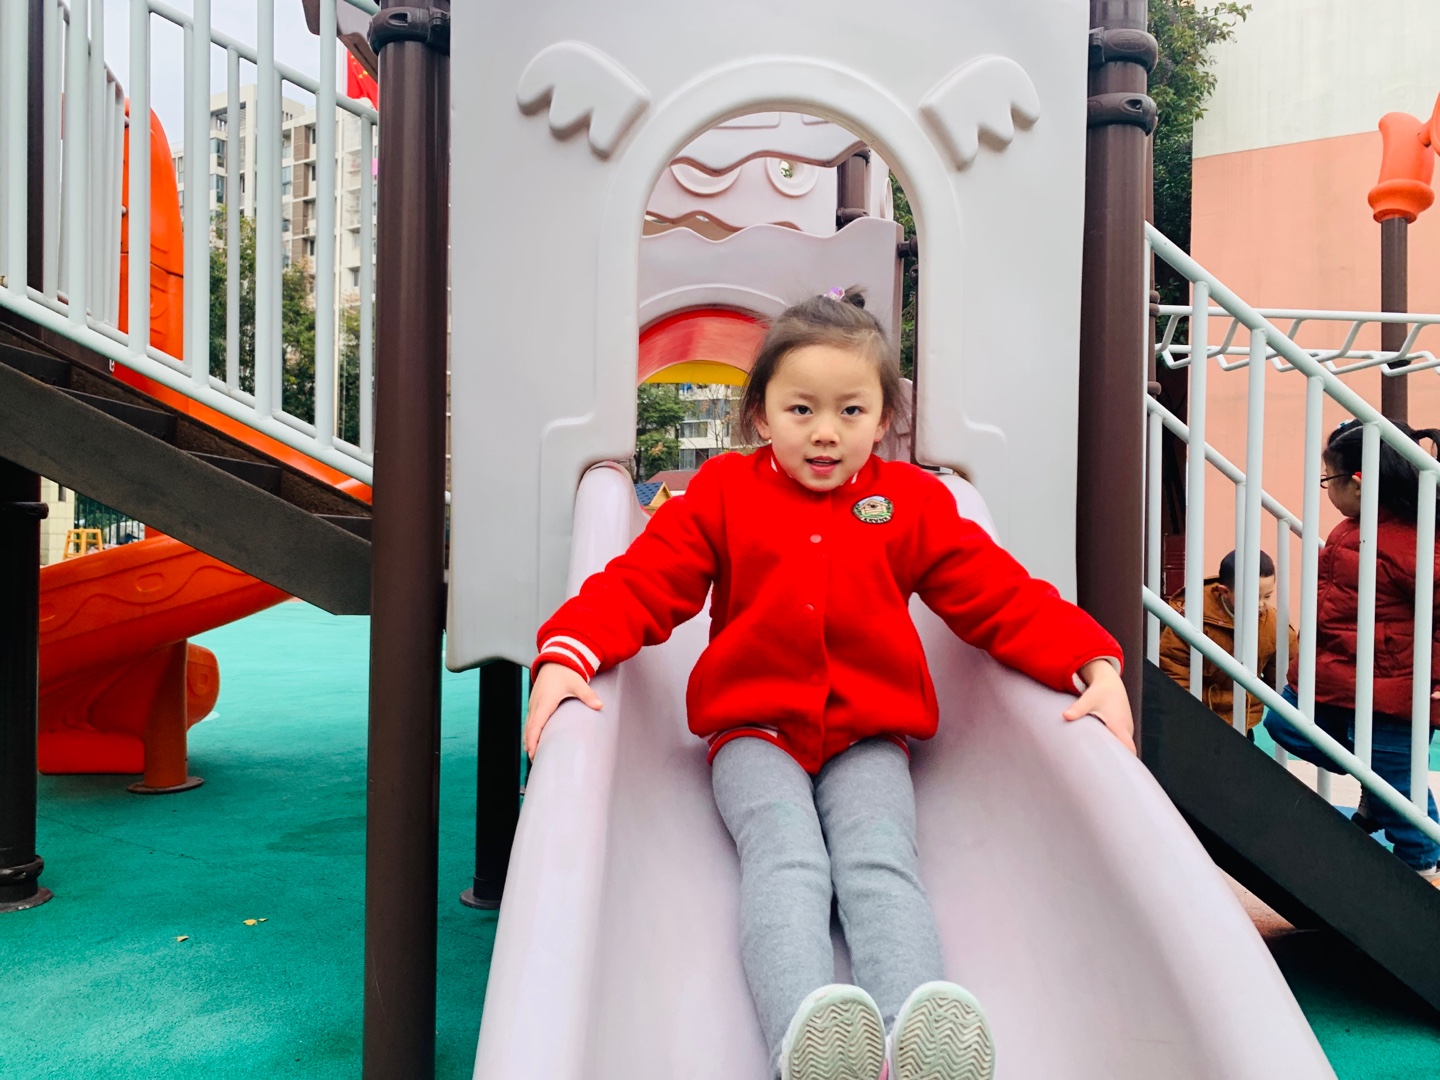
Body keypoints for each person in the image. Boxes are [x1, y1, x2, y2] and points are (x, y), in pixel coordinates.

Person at [522, 288, 1134, 1080]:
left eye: (851, 411)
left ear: (882, 421)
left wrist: (1090, 660)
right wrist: (568, 652)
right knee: (787, 860)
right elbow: (644, 583)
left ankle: (914, 1033)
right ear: (761, 416)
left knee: (880, 862)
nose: (825, 431)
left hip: (868, 736)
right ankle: (805, 1039)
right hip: (753, 731)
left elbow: (998, 595)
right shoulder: (722, 496)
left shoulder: (910, 504)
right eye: (801, 409)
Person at [1263, 419, 1440, 880]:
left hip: (1391, 691)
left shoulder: (1412, 544)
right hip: (1340, 676)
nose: (1326, 489)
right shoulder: (1356, 528)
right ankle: (1374, 787)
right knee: (1283, 723)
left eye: (1328, 479)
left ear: (1358, 484)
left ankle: (1424, 862)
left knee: (1397, 780)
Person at [1158, 549, 1298, 734]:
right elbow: (1173, 670)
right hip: (1194, 717)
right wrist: (1190, 714)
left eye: (1267, 596)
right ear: (1224, 592)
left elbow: (1282, 678)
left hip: (1242, 720)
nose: (1260, 604)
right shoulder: (1192, 617)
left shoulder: (1274, 626)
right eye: (1252, 597)